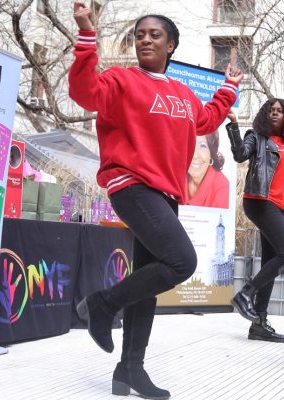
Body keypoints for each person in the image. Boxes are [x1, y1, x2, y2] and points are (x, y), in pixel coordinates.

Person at [69, 2, 241, 398]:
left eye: (155, 35)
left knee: (148, 283)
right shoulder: (120, 81)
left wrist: (229, 87)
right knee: (182, 261)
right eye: (140, 34)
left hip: (165, 194)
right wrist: (85, 33)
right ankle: (101, 304)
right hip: (131, 184)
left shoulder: (182, 94)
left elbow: (207, 119)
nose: (145, 39)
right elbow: (83, 91)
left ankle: (129, 370)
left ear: (172, 46)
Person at [228, 100, 284, 343]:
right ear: (265, 115)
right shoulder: (258, 137)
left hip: (278, 206)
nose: (275, 114)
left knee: (270, 260)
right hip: (260, 200)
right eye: (271, 110)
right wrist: (234, 126)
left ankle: (259, 324)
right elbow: (240, 154)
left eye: (281, 111)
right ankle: (246, 294)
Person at [187, 130, 229, 208]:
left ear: (211, 152)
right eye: (189, 144)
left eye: (202, 146)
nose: (195, 155)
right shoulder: (176, 179)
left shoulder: (223, 191)